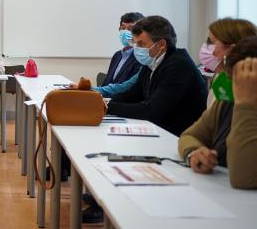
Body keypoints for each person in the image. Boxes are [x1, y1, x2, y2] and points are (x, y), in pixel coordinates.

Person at [83, 16, 208, 223]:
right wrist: (98, 101)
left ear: (161, 44)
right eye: (135, 43)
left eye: (141, 44)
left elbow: (153, 110)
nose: (136, 49)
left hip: (176, 139)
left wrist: (108, 107)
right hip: (159, 131)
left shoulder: (178, 65)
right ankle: (104, 198)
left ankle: (109, 204)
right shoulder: (152, 63)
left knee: (115, 149)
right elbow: (131, 94)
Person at [179, 36, 257, 189]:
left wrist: (246, 105)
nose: (237, 86)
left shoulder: (242, 103)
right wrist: (194, 153)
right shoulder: (227, 101)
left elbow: (243, 178)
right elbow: (189, 135)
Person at [197, 18, 257, 107]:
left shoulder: (247, 88)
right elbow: (211, 118)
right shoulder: (221, 77)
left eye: (211, 42)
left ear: (231, 49)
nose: (207, 47)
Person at [103, 12, 144, 86]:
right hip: (107, 96)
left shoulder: (141, 56)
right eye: (123, 28)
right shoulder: (117, 55)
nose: (125, 32)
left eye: (130, 28)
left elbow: (130, 88)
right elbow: (106, 83)